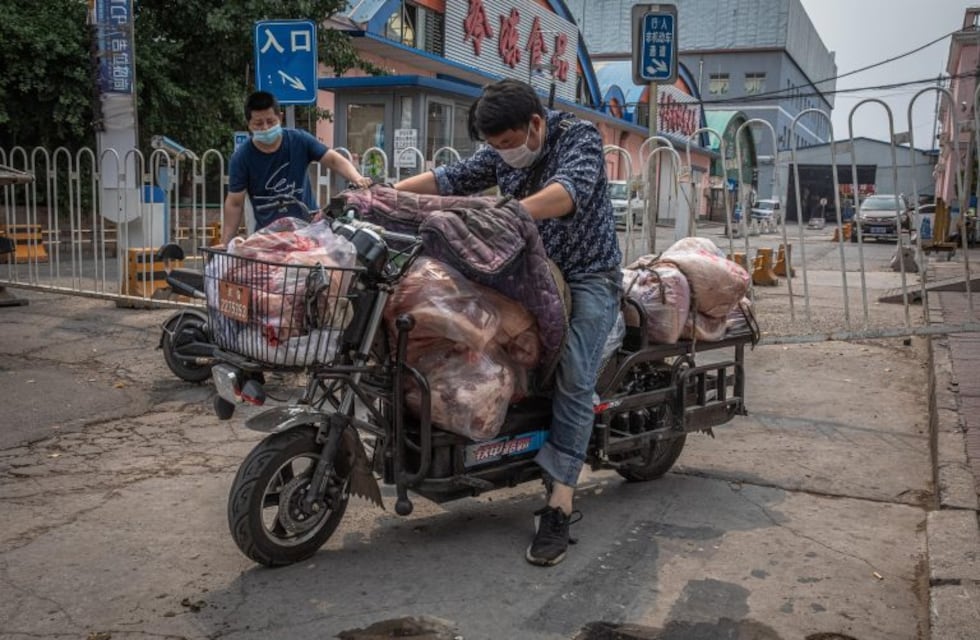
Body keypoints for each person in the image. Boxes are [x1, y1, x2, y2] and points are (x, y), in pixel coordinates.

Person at [393, 79, 622, 567]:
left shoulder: (578, 138)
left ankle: (559, 503)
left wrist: (508, 213)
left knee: (575, 376)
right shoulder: (502, 151)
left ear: (535, 126)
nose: (501, 155)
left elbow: (566, 192)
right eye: (493, 147)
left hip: (586, 275)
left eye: (505, 144)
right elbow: (449, 179)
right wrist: (381, 196)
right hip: (524, 273)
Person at [220, 91, 372, 246]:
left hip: (309, 232)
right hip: (268, 239)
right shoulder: (242, 158)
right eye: (258, 124)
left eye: (270, 121)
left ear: (280, 117)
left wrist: (357, 177)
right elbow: (235, 203)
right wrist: (225, 243)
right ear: (249, 124)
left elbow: (333, 159)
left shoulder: (299, 141)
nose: (265, 128)